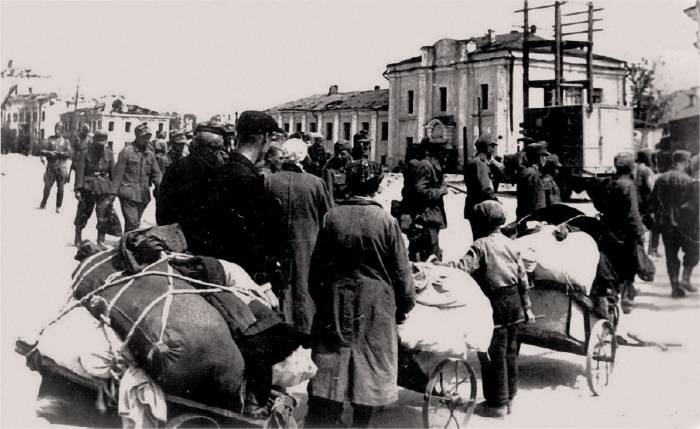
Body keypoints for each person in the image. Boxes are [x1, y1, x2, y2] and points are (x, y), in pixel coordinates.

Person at [306, 159, 414, 428]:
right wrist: (405, 306)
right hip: (376, 305)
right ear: (376, 186)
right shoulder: (387, 222)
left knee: (334, 362)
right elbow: (402, 273)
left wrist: (323, 301)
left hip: (335, 299)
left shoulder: (332, 217)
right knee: (370, 365)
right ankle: (360, 424)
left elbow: (316, 270)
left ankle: (330, 420)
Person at [451, 200, 534, 418]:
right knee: (510, 352)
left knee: (491, 353)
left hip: (494, 304)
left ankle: (496, 404)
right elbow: (523, 280)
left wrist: (442, 266)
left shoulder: (480, 245)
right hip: (514, 302)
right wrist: (527, 307)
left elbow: (462, 268)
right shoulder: (512, 244)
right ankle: (510, 398)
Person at [266, 138, 332, 334]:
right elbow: (328, 217)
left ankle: (280, 327)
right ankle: (305, 329)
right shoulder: (315, 183)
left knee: (280, 287)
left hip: (275, 245)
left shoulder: (269, 180)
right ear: (303, 157)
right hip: (308, 246)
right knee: (304, 288)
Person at [591, 152, 646, 311]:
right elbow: (632, 213)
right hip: (625, 233)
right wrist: (639, 232)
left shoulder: (608, 183)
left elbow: (598, 203)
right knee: (628, 264)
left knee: (611, 264)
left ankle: (612, 296)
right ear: (630, 167)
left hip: (608, 230)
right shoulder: (628, 185)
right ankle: (626, 296)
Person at [649, 150, 697, 297]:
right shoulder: (688, 181)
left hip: (666, 225)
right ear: (685, 162)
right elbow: (694, 205)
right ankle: (685, 278)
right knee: (694, 251)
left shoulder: (661, 179)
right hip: (685, 226)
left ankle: (675, 286)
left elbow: (652, 204)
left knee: (671, 256)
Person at [401, 138, 448, 261]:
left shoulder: (428, 165)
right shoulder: (425, 166)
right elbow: (420, 192)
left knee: (425, 256)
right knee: (429, 259)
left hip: (427, 218)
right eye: (444, 151)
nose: (446, 155)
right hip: (426, 219)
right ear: (437, 152)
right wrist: (440, 191)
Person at [73, 131, 121, 248]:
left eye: (102, 143)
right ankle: (78, 237)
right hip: (87, 188)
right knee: (84, 212)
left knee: (103, 214)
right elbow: (79, 172)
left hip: (104, 188)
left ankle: (101, 239)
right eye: (98, 143)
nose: (100, 146)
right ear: (93, 141)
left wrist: (113, 191)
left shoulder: (109, 154)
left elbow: (113, 174)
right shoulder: (85, 154)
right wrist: (78, 189)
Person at [109, 124, 162, 232]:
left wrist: (161, 185)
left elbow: (156, 174)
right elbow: (117, 175)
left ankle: (126, 244)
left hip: (143, 196)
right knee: (132, 224)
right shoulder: (126, 152)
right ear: (137, 136)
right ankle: (128, 245)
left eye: (148, 137)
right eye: (144, 137)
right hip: (128, 194)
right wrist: (112, 194)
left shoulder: (150, 154)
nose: (147, 140)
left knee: (134, 223)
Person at [39, 122, 73, 213]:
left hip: (62, 168)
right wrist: (49, 153)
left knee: (61, 188)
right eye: (56, 128)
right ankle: (44, 202)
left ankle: (58, 206)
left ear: (62, 130)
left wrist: (61, 154)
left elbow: (70, 153)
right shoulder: (50, 139)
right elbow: (42, 150)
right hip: (51, 167)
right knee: (47, 186)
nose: (57, 130)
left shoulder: (66, 142)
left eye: (59, 129)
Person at [464, 133, 498, 220]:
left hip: (473, 206)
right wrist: (496, 200)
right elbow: (485, 187)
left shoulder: (474, 161)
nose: (494, 149)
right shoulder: (480, 163)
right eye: (492, 146)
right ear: (487, 147)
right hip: (482, 207)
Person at [516, 142, 548, 220]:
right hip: (532, 219)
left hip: (524, 216)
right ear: (537, 157)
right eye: (543, 155)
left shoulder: (526, 171)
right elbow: (537, 201)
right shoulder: (533, 174)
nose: (545, 158)